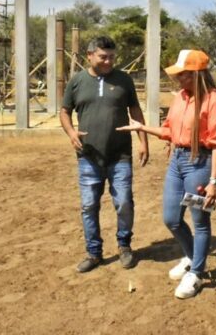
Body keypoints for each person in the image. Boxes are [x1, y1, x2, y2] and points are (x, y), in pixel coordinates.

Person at [117, 49, 216, 299]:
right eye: (178, 74)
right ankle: (192, 257)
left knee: (200, 221)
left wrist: (214, 181)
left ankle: (197, 273)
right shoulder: (181, 97)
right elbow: (169, 131)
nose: (178, 79)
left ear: (197, 74)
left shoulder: (215, 101)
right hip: (178, 162)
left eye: (183, 74)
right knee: (171, 218)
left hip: (200, 164)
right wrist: (142, 128)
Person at [60, 36, 149, 273]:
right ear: (89, 56)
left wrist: (143, 142)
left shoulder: (124, 80)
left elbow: (136, 111)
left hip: (120, 155)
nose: (109, 61)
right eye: (103, 57)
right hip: (88, 156)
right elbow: (65, 111)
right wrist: (71, 133)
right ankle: (94, 252)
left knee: (123, 203)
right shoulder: (77, 81)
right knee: (89, 206)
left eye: (112, 57)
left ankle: (124, 245)